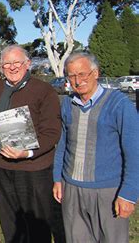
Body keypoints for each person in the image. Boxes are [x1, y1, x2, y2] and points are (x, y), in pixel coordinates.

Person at [0, 45, 63, 242]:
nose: (12, 67)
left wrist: (27, 153)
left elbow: (52, 132)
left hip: (33, 169)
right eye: (7, 64)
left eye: (17, 63)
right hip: (0, 166)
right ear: (1, 66)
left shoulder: (44, 90)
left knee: (37, 225)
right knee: (10, 223)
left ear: (27, 64)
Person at [52, 52, 139, 242]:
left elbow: (134, 152)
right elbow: (63, 144)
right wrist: (57, 178)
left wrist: (129, 194)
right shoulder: (67, 104)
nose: (77, 80)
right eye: (72, 76)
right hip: (72, 189)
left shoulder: (119, 104)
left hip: (109, 191)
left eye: (82, 74)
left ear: (96, 73)